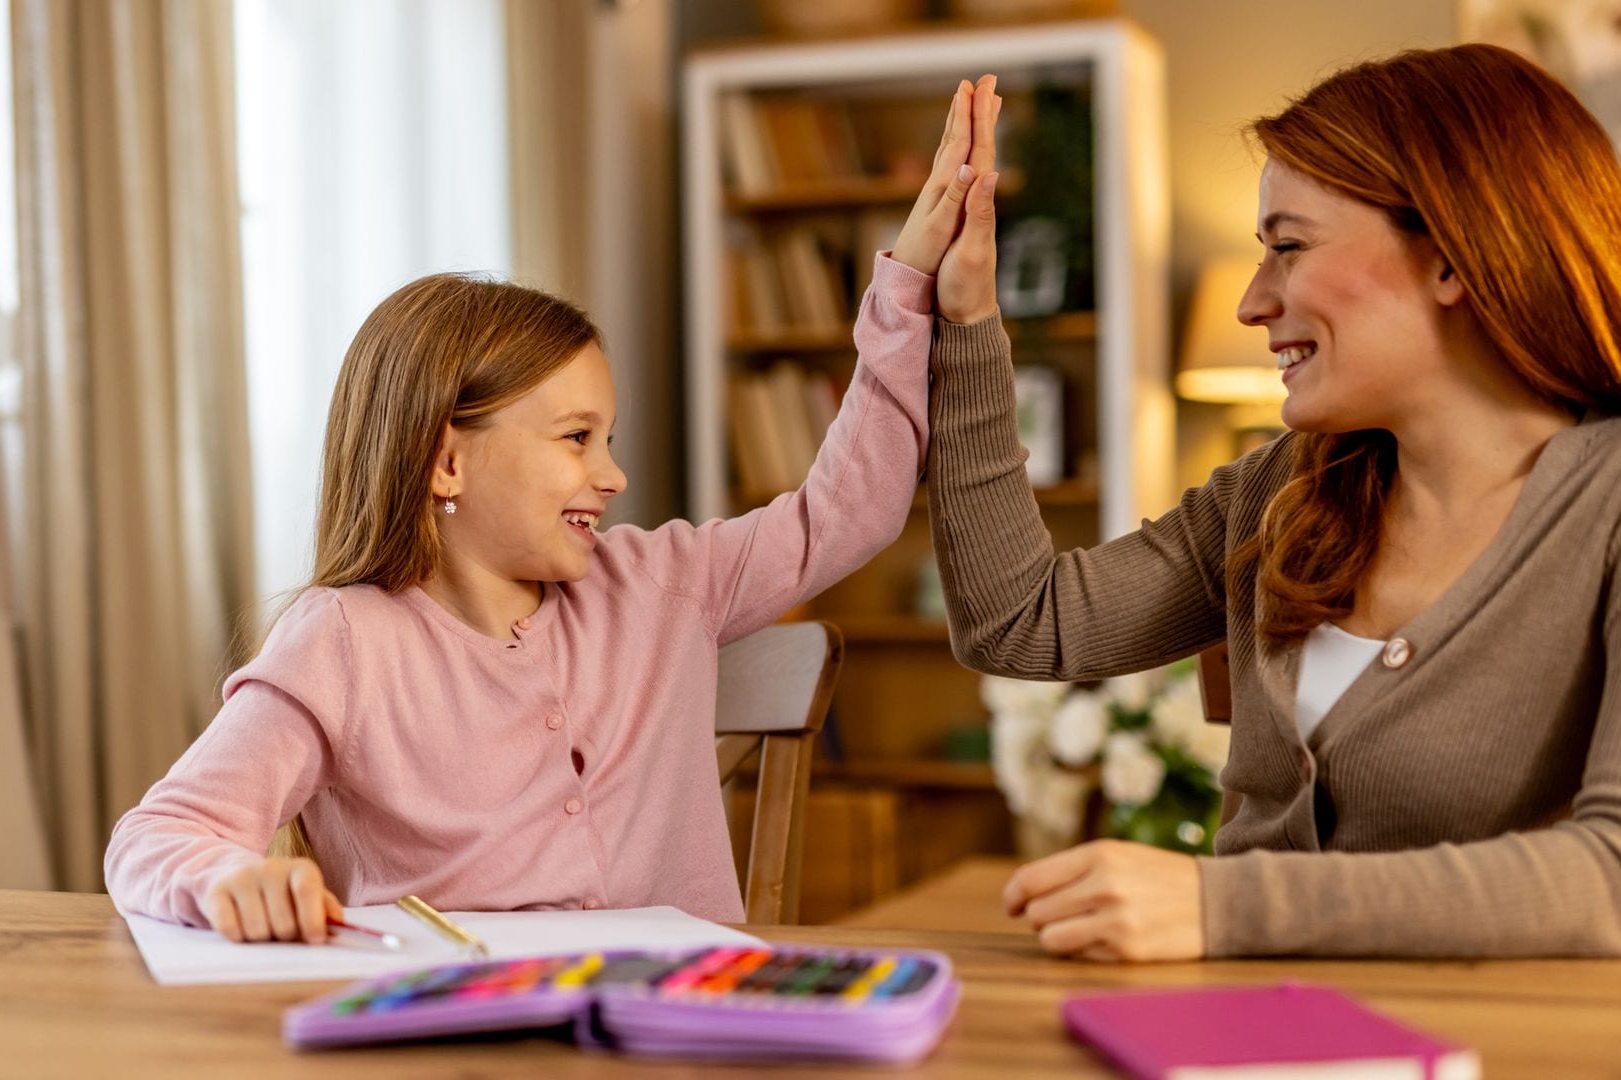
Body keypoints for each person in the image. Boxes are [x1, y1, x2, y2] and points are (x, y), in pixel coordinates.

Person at [104, 80, 1008, 943]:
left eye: (606, 440)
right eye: (577, 439)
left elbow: (851, 510)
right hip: (462, 1040)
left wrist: (910, 281)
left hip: (673, 1025)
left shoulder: (665, 582)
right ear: (447, 460)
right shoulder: (343, 641)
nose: (613, 477)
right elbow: (160, 835)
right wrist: (228, 879)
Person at [927, 43, 1621, 959]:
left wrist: (1227, 908)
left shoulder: (1603, 506)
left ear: (1453, 257)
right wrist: (968, 325)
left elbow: (1608, 880)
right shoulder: (1283, 488)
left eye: (1289, 247)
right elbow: (1020, 623)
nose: (1255, 302)